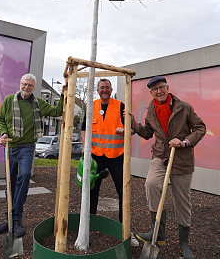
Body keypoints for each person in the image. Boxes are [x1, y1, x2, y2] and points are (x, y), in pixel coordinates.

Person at [118, 76, 206, 259]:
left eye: (161, 87)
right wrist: (134, 124)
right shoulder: (151, 110)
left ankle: (184, 243)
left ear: (167, 88)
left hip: (181, 159)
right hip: (160, 156)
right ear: (150, 92)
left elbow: (200, 128)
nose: (159, 91)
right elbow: (148, 133)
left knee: (182, 201)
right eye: (155, 89)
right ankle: (159, 233)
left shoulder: (184, 107)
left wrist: (184, 141)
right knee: (150, 184)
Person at [0, 73, 65, 238]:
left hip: (27, 147)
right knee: (10, 185)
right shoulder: (10, 100)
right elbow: (0, 120)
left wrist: (62, 94)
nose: (26, 88)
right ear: (20, 84)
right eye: (24, 84)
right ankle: (8, 220)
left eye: (30, 86)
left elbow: (57, 111)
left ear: (34, 87)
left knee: (24, 176)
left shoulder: (38, 103)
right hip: (10, 147)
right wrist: (3, 134)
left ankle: (17, 219)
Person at [81, 78, 139, 247]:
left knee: (123, 192)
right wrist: (85, 147)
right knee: (91, 191)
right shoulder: (91, 106)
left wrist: (125, 130)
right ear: (97, 90)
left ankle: (125, 229)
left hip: (116, 155)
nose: (104, 90)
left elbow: (133, 130)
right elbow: (84, 128)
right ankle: (87, 226)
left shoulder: (120, 106)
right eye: (102, 87)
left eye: (107, 87)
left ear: (111, 89)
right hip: (96, 156)